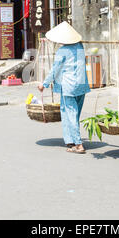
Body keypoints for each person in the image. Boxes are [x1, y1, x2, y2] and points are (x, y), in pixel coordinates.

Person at [38, 21, 91, 154]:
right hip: (81, 85)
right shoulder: (80, 47)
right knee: (72, 114)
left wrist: (44, 84)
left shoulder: (62, 51)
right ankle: (71, 141)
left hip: (69, 86)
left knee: (70, 114)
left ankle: (78, 144)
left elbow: (54, 70)